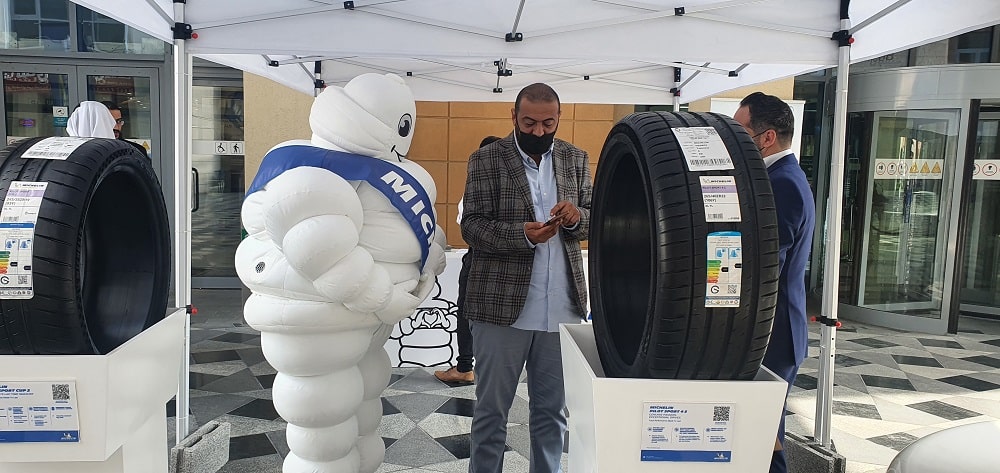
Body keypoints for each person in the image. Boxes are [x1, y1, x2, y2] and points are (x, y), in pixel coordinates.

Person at [461, 83, 592, 473]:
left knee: (552, 415)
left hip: (561, 308)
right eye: (529, 123)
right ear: (513, 117)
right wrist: (521, 235)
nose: (538, 132)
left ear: (559, 118)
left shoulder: (575, 158)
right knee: (490, 415)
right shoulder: (486, 159)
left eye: (547, 123)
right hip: (501, 309)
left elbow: (592, 214)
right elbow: (471, 226)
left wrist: (576, 217)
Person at [733, 92, 816, 473]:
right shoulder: (779, 177)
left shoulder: (781, 183)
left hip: (773, 331)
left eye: (741, 130)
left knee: (766, 438)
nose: (736, 139)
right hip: (774, 329)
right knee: (760, 433)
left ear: (766, 138)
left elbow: (767, 264)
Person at [435, 135, 502, 385]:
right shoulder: (514, 186)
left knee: (466, 312)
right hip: (507, 260)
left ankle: (465, 367)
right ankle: (491, 368)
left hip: (478, 257)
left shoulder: (478, 185)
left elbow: (465, 224)